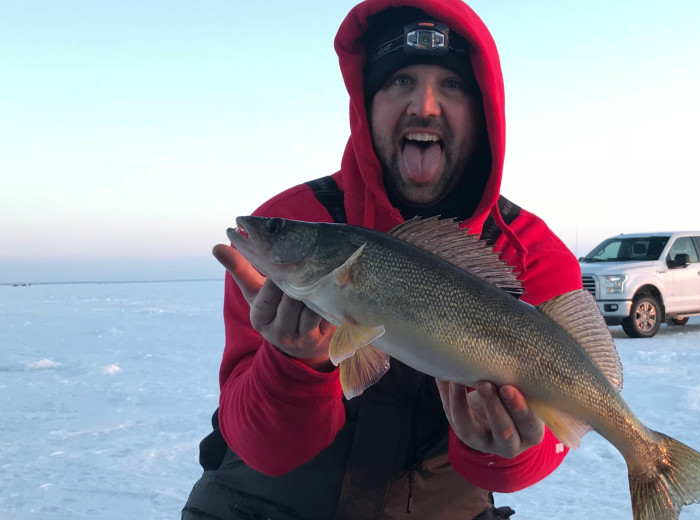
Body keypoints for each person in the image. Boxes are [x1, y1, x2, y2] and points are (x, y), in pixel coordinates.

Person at [182, 0, 582, 518]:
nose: (425, 106)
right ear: (365, 105)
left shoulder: (530, 252)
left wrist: (506, 451)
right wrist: (292, 366)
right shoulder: (291, 218)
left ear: (484, 112)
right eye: (399, 82)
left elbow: (552, 439)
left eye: (453, 86)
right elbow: (260, 448)